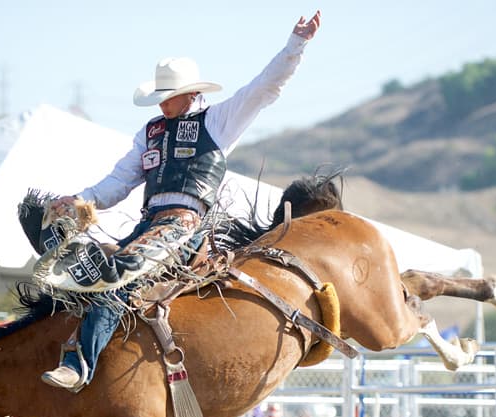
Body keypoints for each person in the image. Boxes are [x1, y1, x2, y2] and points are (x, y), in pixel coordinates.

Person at [41, 10, 321, 392]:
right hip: (149, 224)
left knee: (116, 275)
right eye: (160, 97)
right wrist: (81, 200)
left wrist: (296, 45)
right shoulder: (150, 133)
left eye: (168, 97)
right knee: (88, 276)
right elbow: (119, 180)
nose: (162, 104)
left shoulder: (218, 121)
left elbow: (263, 88)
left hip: (185, 225)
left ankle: (81, 365)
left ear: (192, 93)